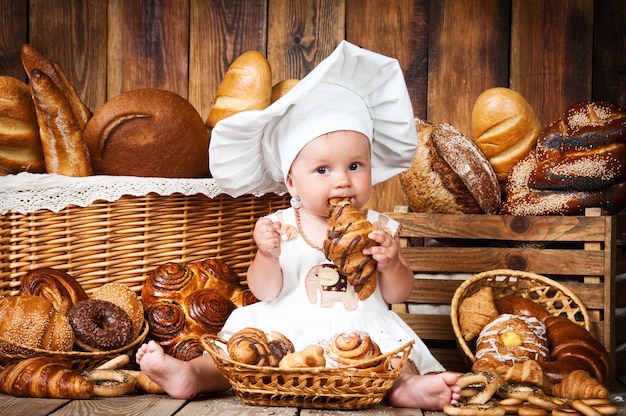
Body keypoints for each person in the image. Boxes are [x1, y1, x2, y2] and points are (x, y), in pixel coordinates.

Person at [136, 40, 461, 410]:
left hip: (362, 332)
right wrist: (267, 256)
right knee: (239, 356)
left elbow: (396, 295)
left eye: (355, 166)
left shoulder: (378, 227)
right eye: (322, 170)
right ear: (292, 182)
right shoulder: (281, 225)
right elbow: (264, 292)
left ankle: (405, 389)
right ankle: (192, 374)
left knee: (391, 363)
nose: (342, 181)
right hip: (288, 328)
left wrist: (392, 264)